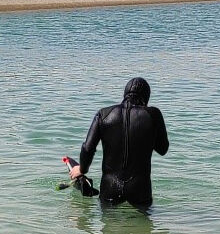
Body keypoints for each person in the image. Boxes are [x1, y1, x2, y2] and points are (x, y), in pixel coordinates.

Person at [70, 76, 169, 210]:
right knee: (143, 229)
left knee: (109, 227)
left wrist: (81, 170)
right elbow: (163, 149)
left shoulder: (103, 114)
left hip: (110, 187)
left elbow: (88, 148)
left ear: (125, 94)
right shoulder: (153, 114)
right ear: (146, 97)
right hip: (140, 189)